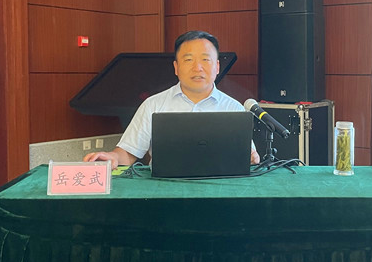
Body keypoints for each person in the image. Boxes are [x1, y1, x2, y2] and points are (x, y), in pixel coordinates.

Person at [83, 30, 260, 168]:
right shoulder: (153, 105)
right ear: (176, 67)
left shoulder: (234, 108)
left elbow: (248, 155)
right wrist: (112, 156)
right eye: (188, 60)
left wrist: (252, 157)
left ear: (217, 67)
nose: (198, 68)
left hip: (219, 191)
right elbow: (128, 153)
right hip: (165, 190)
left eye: (205, 60)